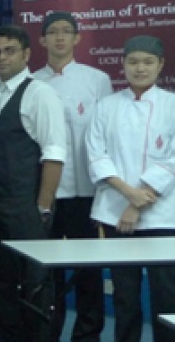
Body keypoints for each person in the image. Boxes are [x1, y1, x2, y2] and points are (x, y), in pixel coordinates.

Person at [86, 35, 175, 342]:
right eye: (133, 62)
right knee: (125, 295)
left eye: (148, 62)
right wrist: (128, 194)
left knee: (167, 296)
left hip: (163, 215)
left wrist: (137, 203)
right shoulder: (105, 106)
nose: (140, 68)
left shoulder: (172, 104)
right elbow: (96, 154)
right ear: (122, 64)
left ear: (160, 65)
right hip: (114, 214)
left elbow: (172, 160)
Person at [0, 25, 66, 342]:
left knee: (36, 284)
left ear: (27, 54)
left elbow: (54, 155)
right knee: (1, 282)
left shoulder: (40, 94)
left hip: (26, 206)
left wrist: (43, 207)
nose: (2, 58)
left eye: (10, 51)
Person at [32, 11, 112, 341]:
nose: (60, 37)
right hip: (47, 192)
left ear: (77, 38)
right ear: (42, 40)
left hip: (87, 193)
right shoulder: (32, 82)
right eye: (53, 32)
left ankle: (88, 333)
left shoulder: (97, 80)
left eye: (67, 31)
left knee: (88, 271)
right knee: (47, 271)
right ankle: (48, 331)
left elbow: (107, 134)